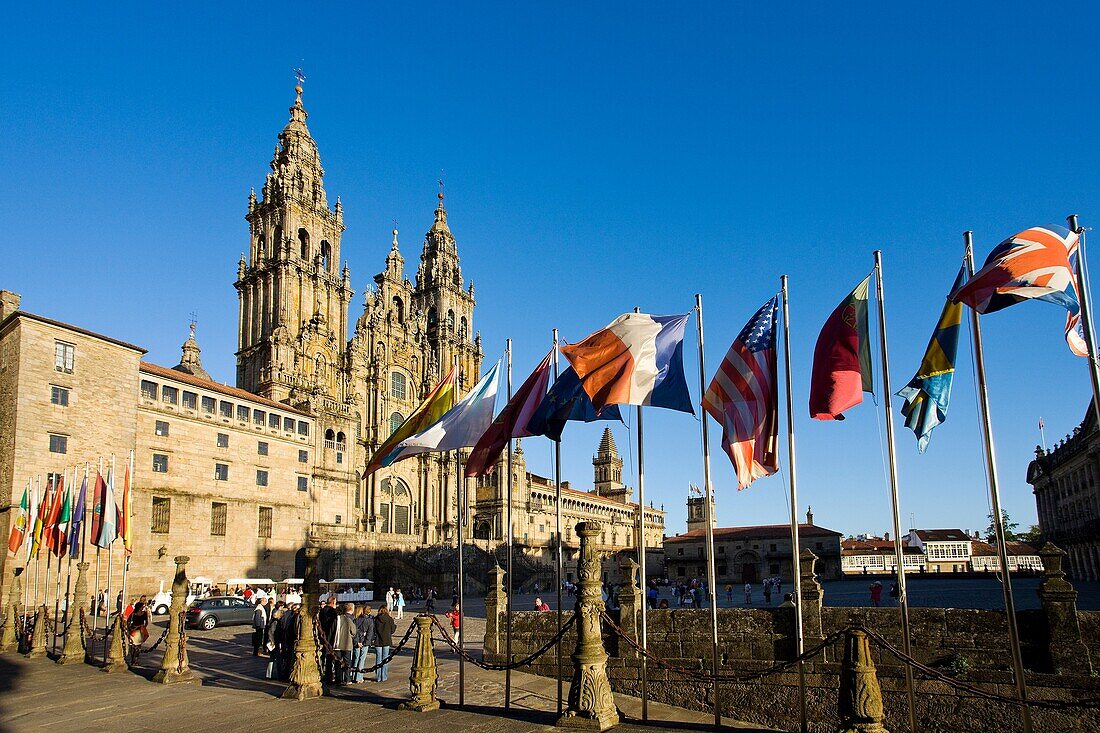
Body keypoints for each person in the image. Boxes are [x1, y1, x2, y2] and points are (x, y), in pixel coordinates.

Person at [333, 603, 357, 685]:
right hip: (346, 644)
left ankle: (338, 679)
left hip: (337, 643)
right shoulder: (348, 620)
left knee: (338, 662)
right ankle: (347, 679)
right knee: (347, 662)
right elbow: (353, 632)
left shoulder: (337, 619)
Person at [318, 595, 339, 682]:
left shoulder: (322, 611)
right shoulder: (333, 612)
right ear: (333, 602)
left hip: (322, 635)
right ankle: (329, 676)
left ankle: (320, 673)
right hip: (330, 637)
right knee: (330, 658)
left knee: (322, 657)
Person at [373, 605, 396, 683]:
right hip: (386, 640)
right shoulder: (389, 619)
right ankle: (384, 676)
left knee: (378, 659)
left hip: (378, 641)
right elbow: (392, 630)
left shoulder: (376, 619)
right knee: (385, 659)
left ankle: (378, 677)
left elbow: (374, 630)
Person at [353, 605, 375, 683]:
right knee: (361, 659)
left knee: (355, 659)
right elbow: (369, 634)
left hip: (357, 641)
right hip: (364, 642)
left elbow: (354, 631)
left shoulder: (356, 619)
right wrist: (365, 643)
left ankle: (353, 675)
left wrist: (357, 641)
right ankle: (359, 677)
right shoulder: (370, 621)